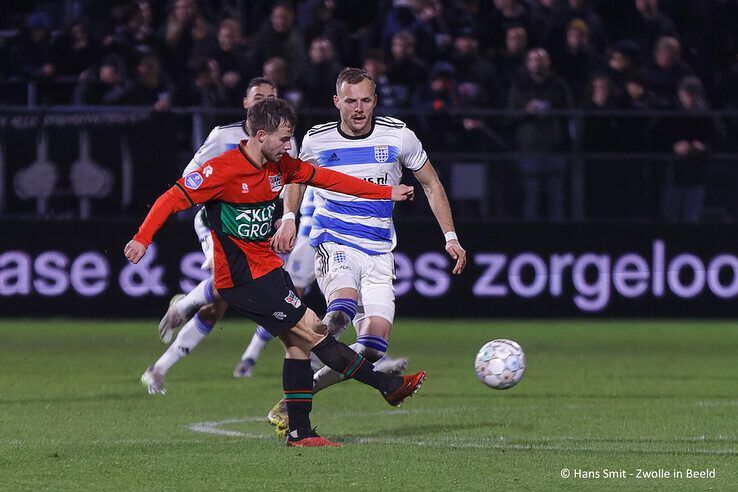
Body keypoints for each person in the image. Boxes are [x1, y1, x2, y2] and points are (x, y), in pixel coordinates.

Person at [125, 97, 426, 447]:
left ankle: (299, 433)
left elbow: (329, 179)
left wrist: (385, 192)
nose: (289, 146)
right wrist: (142, 238)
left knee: (298, 348)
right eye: (284, 139)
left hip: (269, 271)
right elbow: (170, 199)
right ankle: (388, 387)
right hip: (242, 279)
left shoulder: (280, 165)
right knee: (314, 334)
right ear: (261, 135)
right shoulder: (221, 170)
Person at [266, 67, 467, 437]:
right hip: (334, 242)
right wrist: (290, 217)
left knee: (373, 347)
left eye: (365, 100)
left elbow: (432, 185)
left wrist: (450, 237)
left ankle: (296, 393)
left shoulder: (398, 136)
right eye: (350, 100)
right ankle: (307, 346)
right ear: (336, 102)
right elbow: (296, 179)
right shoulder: (317, 140)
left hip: (379, 252)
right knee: (341, 307)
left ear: (375, 100)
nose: (358, 108)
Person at [142, 78, 290, 391]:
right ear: (246, 104)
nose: (264, 102)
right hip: (218, 222)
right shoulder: (224, 136)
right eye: (258, 97)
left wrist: (285, 216)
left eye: (271, 98)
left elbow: (291, 184)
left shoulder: (284, 138)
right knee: (226, 285)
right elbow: (190, 175)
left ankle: (159, 367)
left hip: (255, 227)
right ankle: (181, 310)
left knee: (217, 305)